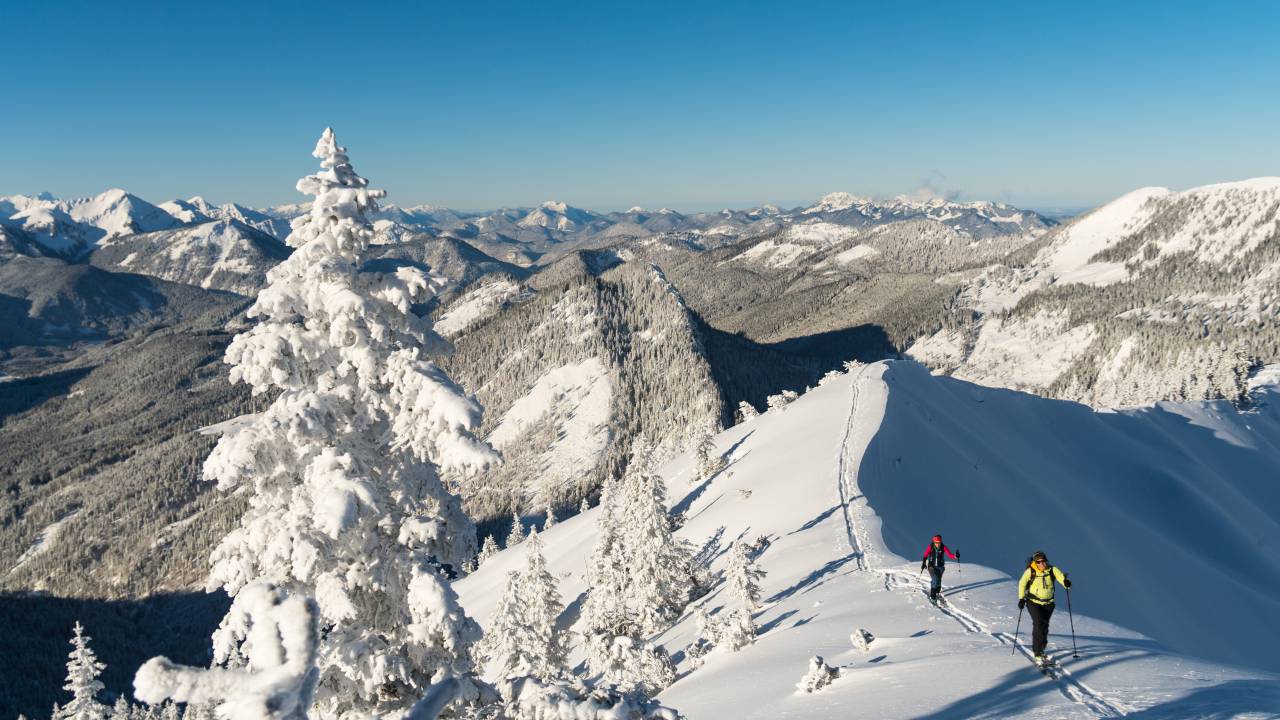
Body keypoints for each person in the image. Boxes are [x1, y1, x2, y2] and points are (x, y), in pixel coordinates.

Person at [1017, 550, 1071, 666]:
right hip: (1033, 602)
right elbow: (1022, 583)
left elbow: (1060, 577)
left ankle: (1042, 649)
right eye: (1038, 562)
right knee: (1038, 623)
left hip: (1049, 603)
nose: (1041, 564)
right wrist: (1021, 599)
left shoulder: (1052, 570)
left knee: (1045, 626)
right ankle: (1037, 653)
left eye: (1043, 561)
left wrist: (1066, 583)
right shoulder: (1030, 571)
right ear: (1035, 562)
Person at [920, 534, 958, 601]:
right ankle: (933, 597)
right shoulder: (930, 547)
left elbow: (950, 555)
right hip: (932, 566)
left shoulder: (943, 547)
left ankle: (937, 593)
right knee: (935, 579)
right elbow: (925, 555)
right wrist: (924, 563)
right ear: (934, 542)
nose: (938, 544)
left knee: (938, 581)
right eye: (936, 543)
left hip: (940, 567)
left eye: (939, 542)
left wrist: (956, 556)